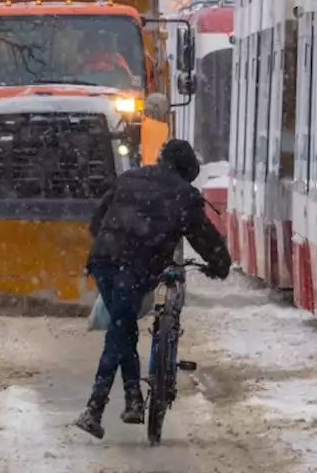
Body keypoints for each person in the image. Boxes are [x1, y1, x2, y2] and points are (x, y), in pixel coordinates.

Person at [73, 139, 232, 439]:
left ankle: (133, 397)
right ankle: (94, 407)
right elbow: (204, 238)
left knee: (123, 327)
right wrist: (220, 264)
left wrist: (113, 242)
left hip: (104, 262)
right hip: (135, 267)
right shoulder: (185, 194)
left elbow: (97, 221)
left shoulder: (129, 178)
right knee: (120, 330)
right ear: (187, 171)